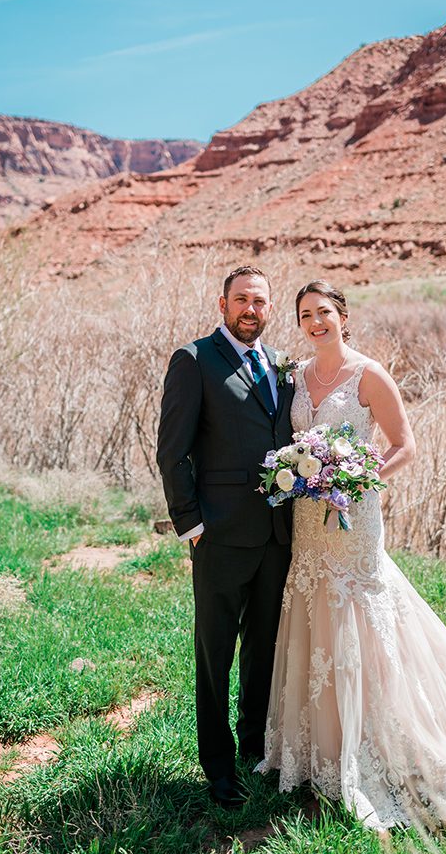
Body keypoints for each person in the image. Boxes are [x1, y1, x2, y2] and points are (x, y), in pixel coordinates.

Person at [258, 279, 446, 830]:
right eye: (306, 315)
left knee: (359, 614)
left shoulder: (368, 373)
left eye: (325, 313)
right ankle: (316, 745)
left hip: (354, 518)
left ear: (343, 316)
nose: (316, 323)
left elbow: (405, 444)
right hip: (307, 522)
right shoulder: (295, 376)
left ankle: (374, 744)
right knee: (314, 611)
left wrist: (360, 480)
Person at [156, 266, 294, 808]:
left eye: (259, 301)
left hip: (276, 536)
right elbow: (172, 451)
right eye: (241, 300)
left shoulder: (281, 365)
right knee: (215, 654)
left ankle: (254, 744)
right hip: (217, 535)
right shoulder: (194, 361)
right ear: (222, 304)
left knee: (263, 649)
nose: (250, 310)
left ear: (269, 307)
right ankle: (217, 764)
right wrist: (191, 524)